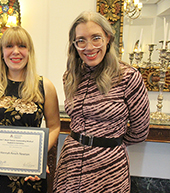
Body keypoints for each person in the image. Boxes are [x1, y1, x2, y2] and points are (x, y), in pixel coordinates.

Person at [53, 11, 150, 193]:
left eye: (96, 38)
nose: (89, 47)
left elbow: (140, 131)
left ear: (108, 38)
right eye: (81, 40)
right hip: (71, 164)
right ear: (74, 44)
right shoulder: (70, 77)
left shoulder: (128, 76)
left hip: (109, 168)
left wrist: (109, 143)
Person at [0, 26, 60, 193]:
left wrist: (38, 156)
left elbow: (54, 126)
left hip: (30, 173)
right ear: (2, 52)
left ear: (30, 51)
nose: (16, 52)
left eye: (22, 46)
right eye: (9, 46)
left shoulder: (45, 86)